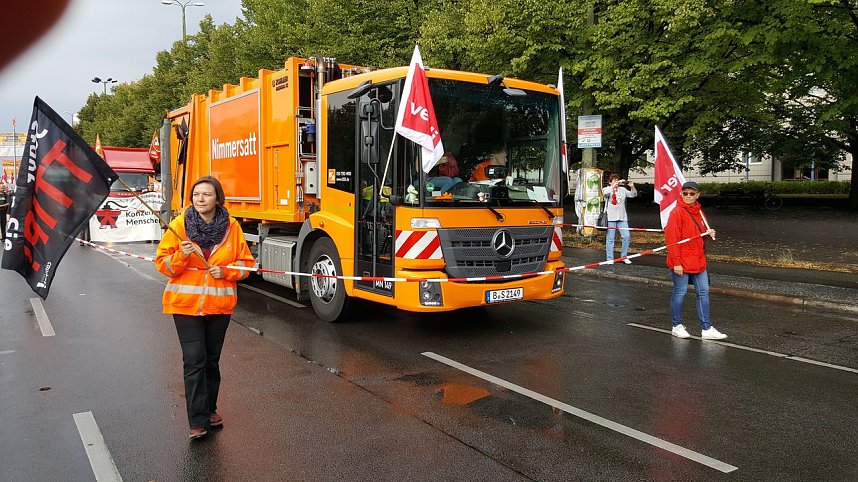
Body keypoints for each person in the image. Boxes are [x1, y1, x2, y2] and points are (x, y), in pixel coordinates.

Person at [155, 176, 255, 440]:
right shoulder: (180, 225)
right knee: (195, 360)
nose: (200, 199)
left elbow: (246, 264)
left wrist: (227, 271)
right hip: (185, 306)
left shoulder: (232, 227)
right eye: (196, 194)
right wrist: (182, 255)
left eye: (206, 194)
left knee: (211, 360)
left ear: (218, 199)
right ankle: (197, 421)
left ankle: (210, 410)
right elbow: (162, 264)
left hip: (219, 306)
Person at [665, 181, 727, 340]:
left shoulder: (698, 212)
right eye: (685, 193)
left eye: (691, 193)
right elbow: (671, 240)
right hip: (682, 260)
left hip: (698, 259)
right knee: (680, 292)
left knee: (704, 292)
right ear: (681, 194)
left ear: (697, 195)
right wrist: (676, 262)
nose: (688, 196)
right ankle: (676, 326)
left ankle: (706, 328)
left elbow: (698, 235)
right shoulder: (676, 212)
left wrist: (707, 234)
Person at [602, 174, 637, 263]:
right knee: (610, 239)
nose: (616, 182)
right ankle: (610, 258)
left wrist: (632, 187)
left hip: (622, 217)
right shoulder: (607, 189)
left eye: (617, 180)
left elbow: (633, 195)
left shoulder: (622, 190)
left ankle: (624, 257)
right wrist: (613, 186)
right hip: (611, 217)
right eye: (614, 180)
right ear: (610, 182)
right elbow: (604, 193)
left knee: (626, 236)